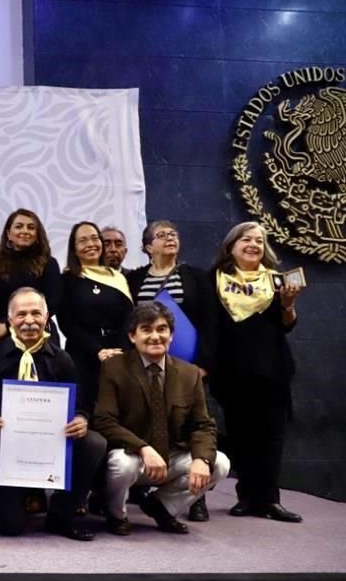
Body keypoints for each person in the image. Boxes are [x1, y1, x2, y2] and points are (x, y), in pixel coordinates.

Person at [0, 288, 106, 540]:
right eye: (21, 314)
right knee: (10, 527)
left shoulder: (62, 359)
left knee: (93, 443)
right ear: (10, 320)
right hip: (4, 447)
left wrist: (80, 419)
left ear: (46, 318)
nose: (30, 320)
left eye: (36, 313)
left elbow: (80, 404)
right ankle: (20, 497)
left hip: (50, 444)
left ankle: (62, 513)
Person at [93, 301, 230, 536]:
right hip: (133, 455)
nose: (155, 336)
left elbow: (203, 424)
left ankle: (161, 507)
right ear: (132, 336)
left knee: (219, 463)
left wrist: (202, 460)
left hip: (171, 456)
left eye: (162, 329)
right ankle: (116, 514)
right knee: (121, 465)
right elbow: (104, 421)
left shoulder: (189, 373)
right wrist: (143, 448)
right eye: (146, 329)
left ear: (171, 335)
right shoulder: (114, 368)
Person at [126, 219, 219, 522]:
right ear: (147, 246)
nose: (170, 239)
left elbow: (211, 323)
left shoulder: (195, 277)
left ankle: (196, 497)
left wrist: (203, 366)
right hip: (145, 367)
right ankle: (145, 485)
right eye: (162, 235)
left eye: (174, 234)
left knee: (192, 426)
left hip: (189, 370)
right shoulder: (135, 279)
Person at [210, 222, 303, 523]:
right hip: (232, 370)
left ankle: (270, 500)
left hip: (272, 369)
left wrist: (288, 305)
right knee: (241, 436)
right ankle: (247, 496)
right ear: (231, 246)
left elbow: (286, 324)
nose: (253, 245)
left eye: (260, 241)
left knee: (272, 436)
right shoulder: (215, 279)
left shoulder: (276, 280)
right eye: (246, 239)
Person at [58, 221, 133, 416]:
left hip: (118, 354)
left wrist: (120, 350)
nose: (91, 244)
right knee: (84, 412)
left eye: (94, 238)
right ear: (74, 248)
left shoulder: (117, 278)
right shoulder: (67, 280)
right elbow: (67, 324)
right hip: (83, 355)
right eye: (83, 240)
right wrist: (97, 350)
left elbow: (128, 318)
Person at [0, 209, 63, 346]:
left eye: (31, 227)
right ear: (8, 234)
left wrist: (9, 327)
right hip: (2, 340)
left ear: (37, 235)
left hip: (40, 335)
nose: (25, 231)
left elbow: (53, 302)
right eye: (19, 226)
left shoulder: (48, 264)